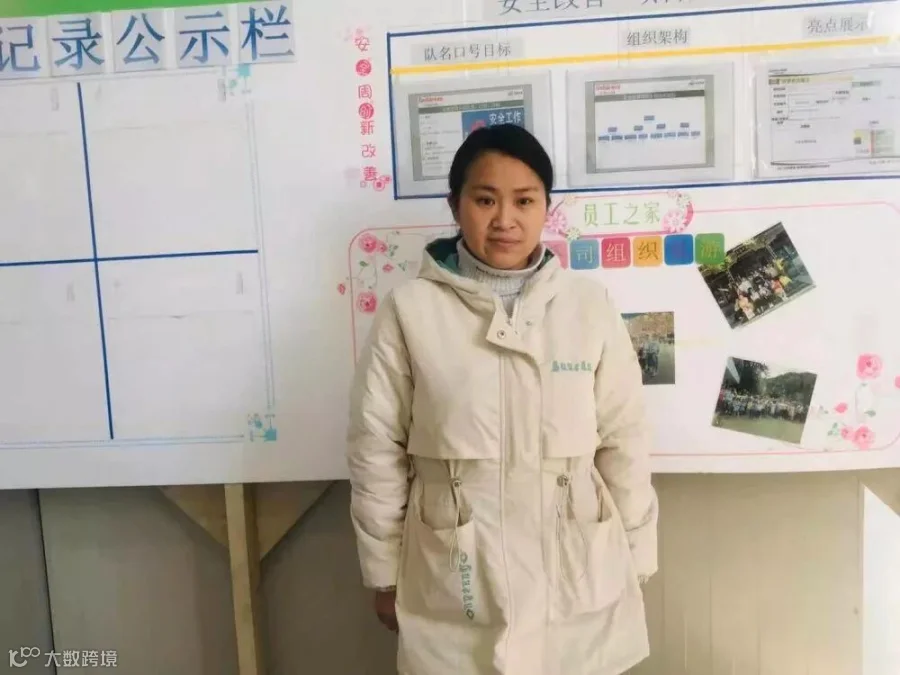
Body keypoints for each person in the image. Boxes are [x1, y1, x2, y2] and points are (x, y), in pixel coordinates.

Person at [346, 124, 659, 675]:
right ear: (455, 205)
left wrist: (636, 554)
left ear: (546, 208)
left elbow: (623, 437)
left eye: (524, 200)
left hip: (577, 566)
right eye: (486, 200)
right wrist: (383, 573)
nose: (505, 219)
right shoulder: (411, 311)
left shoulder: (588, 307)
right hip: (457, 570)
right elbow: (376, 447)